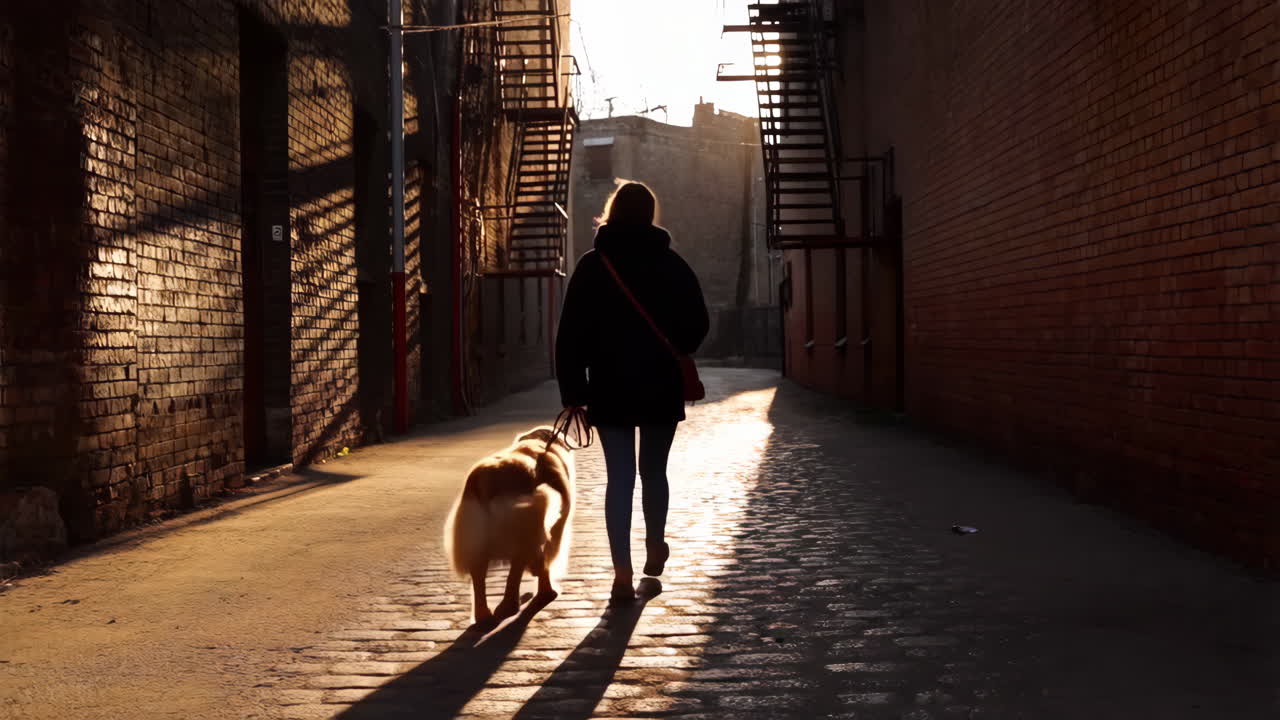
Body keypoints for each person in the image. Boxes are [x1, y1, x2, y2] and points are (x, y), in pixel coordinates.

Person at [555, 181, 710, 603]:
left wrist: (573, 390)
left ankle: (621, 572)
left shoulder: (593, 265)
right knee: (654, 471)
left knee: (619, 478)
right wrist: (677, 348)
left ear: (613, 212)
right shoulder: (672, 264)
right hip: (660, 383)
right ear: (649, 214)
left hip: (609, 385)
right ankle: (655, 546)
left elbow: (569, 334)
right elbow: (698, 323)